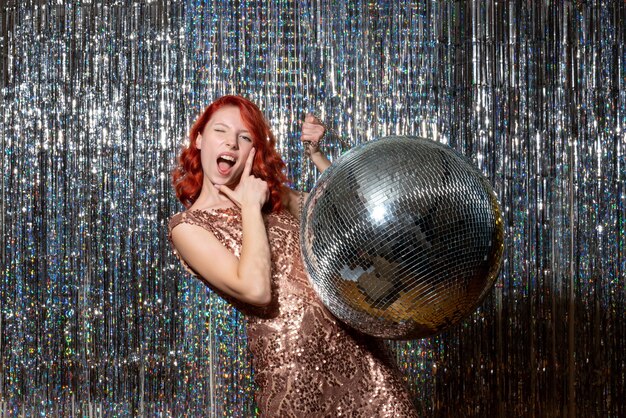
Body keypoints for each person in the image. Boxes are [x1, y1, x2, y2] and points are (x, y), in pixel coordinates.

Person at [169, 95, 417, 417]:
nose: (231, 142)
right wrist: (248, 208)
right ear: (200, 139)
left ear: (252, 152)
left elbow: (352, 216)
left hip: (360, 353)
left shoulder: (274, 197)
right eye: (220, 131)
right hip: (294, 373)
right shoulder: (187, 227)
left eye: (244, 137)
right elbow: (256, 290)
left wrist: (317, 156)